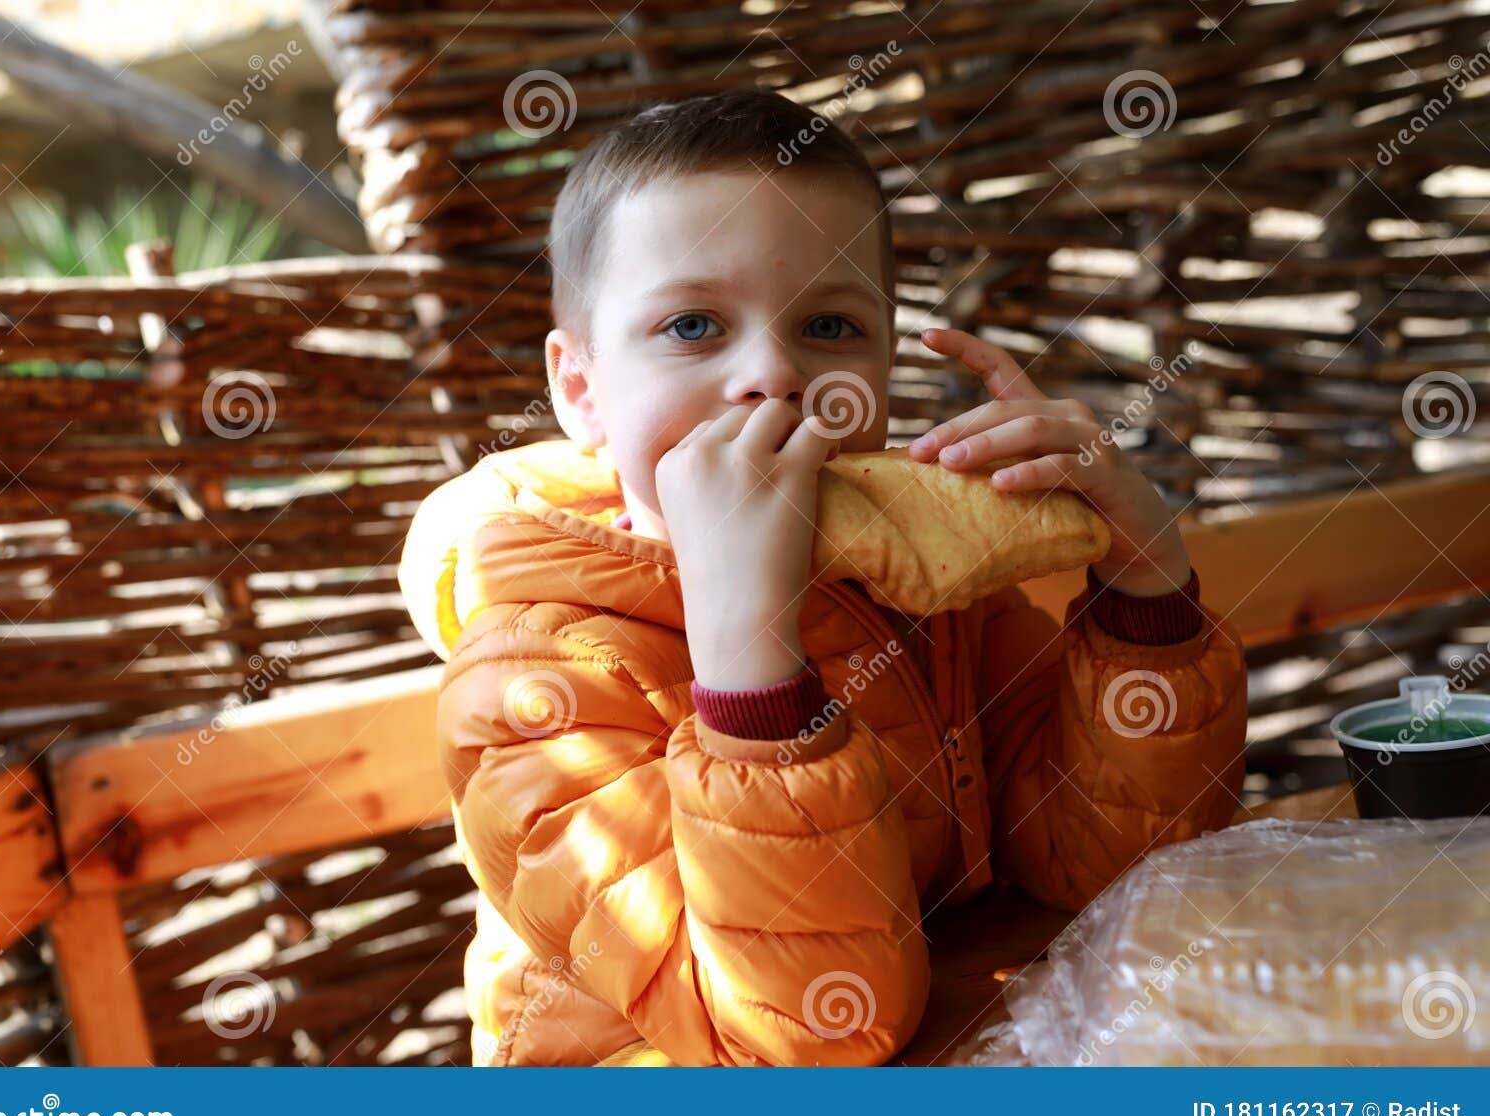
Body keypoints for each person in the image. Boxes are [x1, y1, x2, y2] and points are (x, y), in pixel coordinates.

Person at [399, 87, 1246, 1066]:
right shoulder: (530, 691)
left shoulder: (927, 590)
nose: (773, 372)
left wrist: (1146, 592)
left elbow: (1118, 864)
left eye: (831, 327)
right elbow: (799, 1040)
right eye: (691, 325)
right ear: (581, 390)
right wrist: (748, 653)